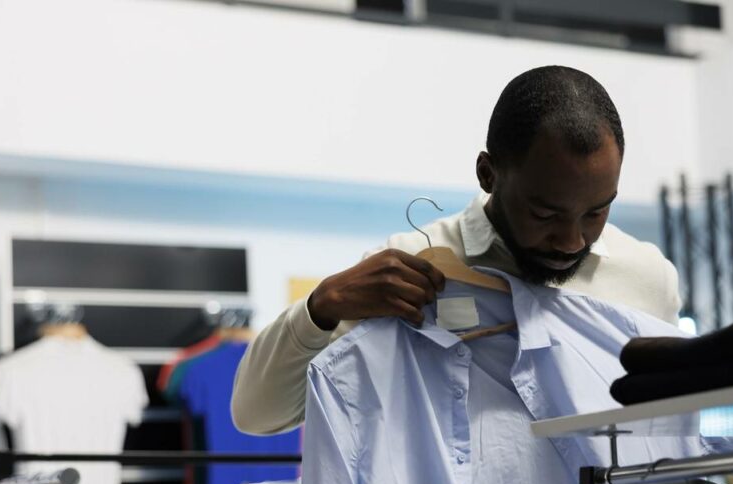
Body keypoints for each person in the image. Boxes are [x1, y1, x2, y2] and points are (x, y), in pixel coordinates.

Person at [233, 65, 682, 434]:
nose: (571, 241)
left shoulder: (647, 278)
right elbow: (256, 416)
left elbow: (665, 430)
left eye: (596, 213)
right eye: (545, 215)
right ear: (488, 174)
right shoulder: (404, 273)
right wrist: (322, 306)